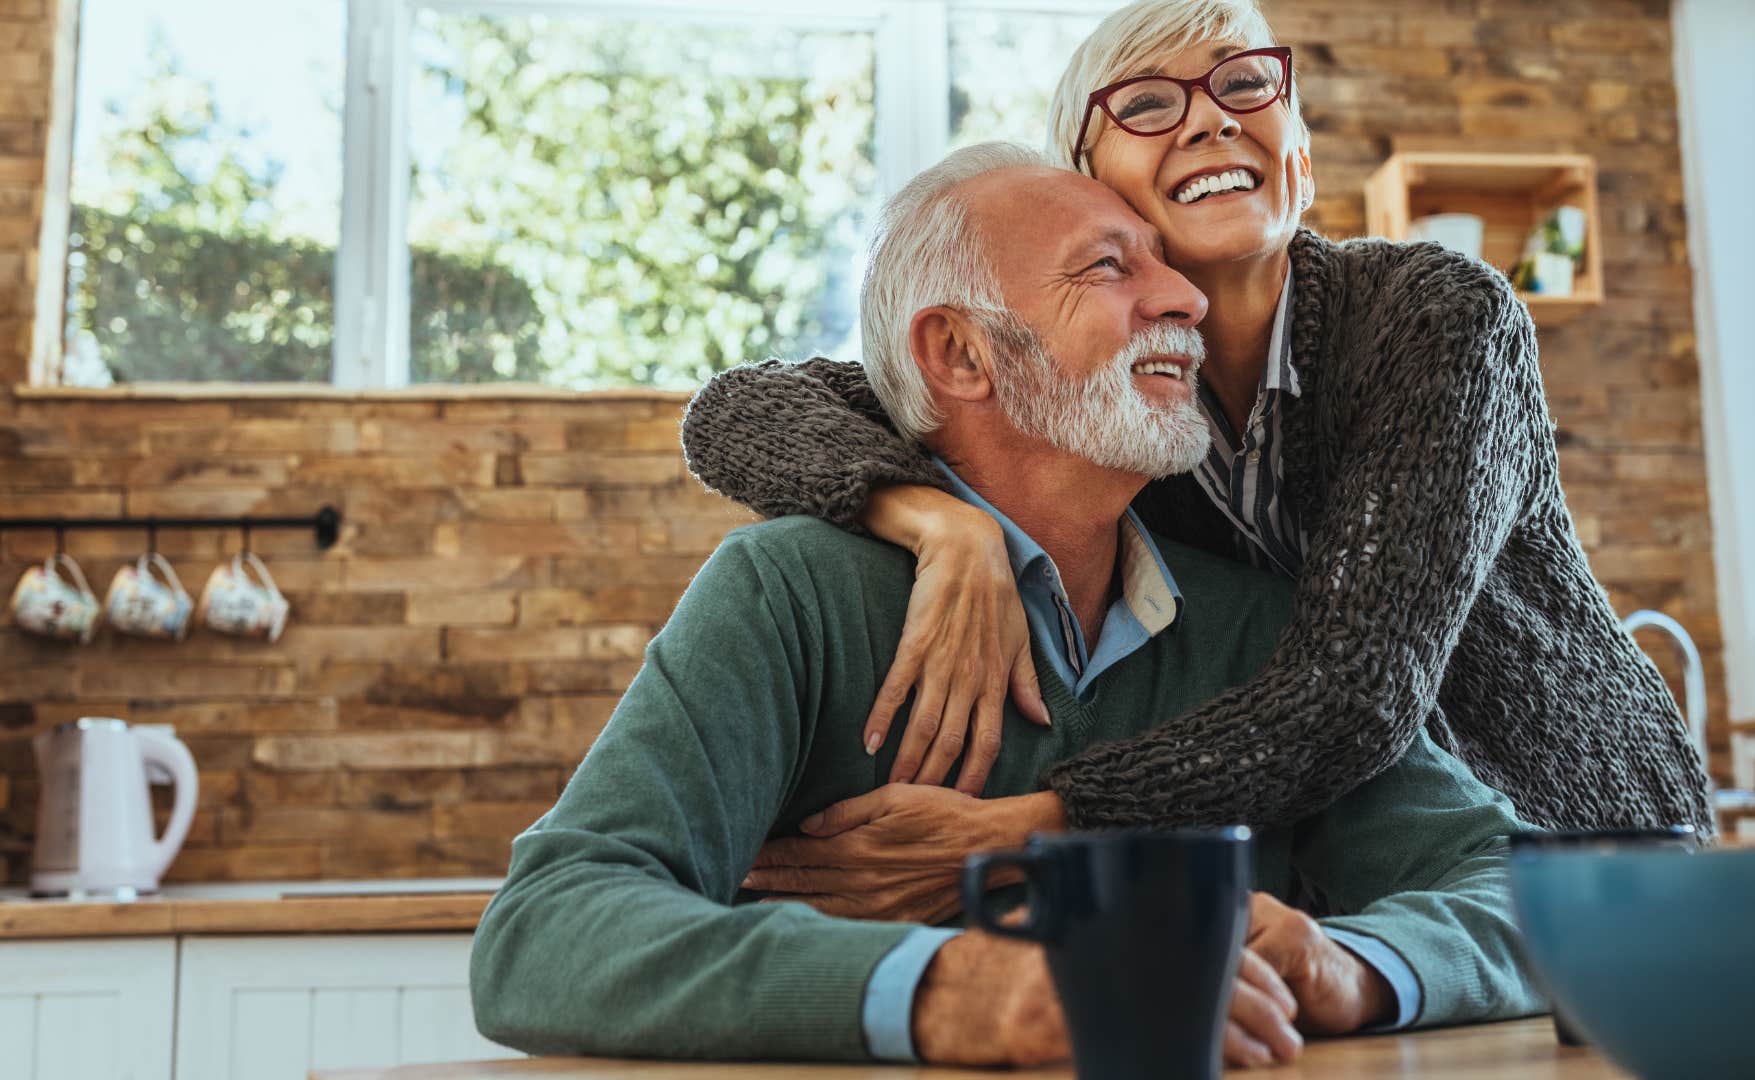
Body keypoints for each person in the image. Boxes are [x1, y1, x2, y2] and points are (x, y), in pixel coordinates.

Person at [469, 144, 1541, 1067]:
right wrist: (952, 988)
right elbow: (546, 932)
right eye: (1111, 267)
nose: (1186, 299)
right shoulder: (789, 594)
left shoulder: (1261, 628)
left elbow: (1520, 890)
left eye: (1165, 264)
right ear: (959, 353)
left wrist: (1352, 961)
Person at [678, 0, 1712, 869]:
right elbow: (740, 409)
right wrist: (941, 522)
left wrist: (1034, 831)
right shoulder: (1108, 405)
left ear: (1300, 157)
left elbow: (1354, 693)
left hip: (1580, 838)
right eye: (1146, 103)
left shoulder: (1438, 317)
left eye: (1246, 85)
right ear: (1088, 185)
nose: (1213, 119)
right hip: (1365, 865)